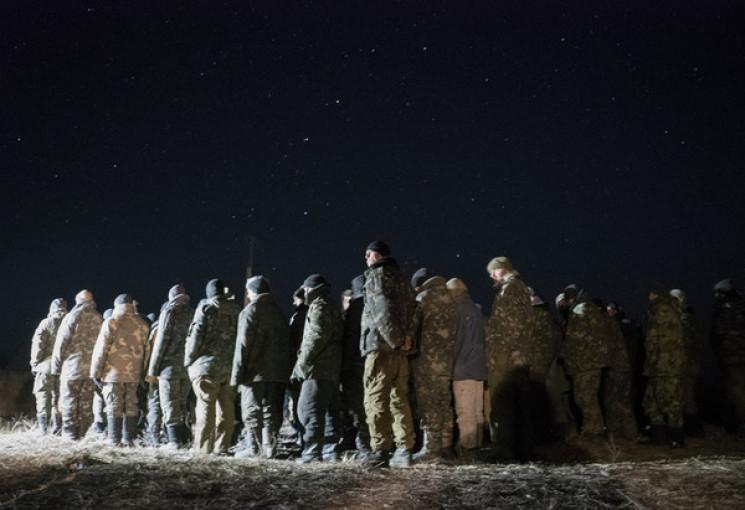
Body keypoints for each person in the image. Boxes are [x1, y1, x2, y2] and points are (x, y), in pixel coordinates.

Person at [360, 241, 417, 468]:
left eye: (367, 255)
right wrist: (407, 339)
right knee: (399, 398)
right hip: (401, 350)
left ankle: (381, 451)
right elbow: (415, 310)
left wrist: (394, 340)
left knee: (375, 398)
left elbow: (380, 309)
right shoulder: (403, 280)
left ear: (375, 255)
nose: (366, 259)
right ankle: (404, 449)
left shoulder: (376, 276)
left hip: (381, 346)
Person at [231, 276, 291, 459]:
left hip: (254, 372)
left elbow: (243, 345)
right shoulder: (279, 312)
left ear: (252, 291)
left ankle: (254, 448)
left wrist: (236, 376)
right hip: (277, 373)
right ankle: (270, 447)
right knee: (271, 411)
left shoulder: (250, 311)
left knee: (251, 410)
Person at [484, 257, 536, 461]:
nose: (491, 276)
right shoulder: (521, 288)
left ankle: (503, 451)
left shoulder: (510, 289)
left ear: (502, 270)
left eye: (493, 272)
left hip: (507, 358)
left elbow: (510, 328)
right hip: (520, 356)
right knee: (520, 405)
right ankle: (523, 450)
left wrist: (499, 356)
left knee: (502, 403)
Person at [291, 274, 343, 463]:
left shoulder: (319, 306)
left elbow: (315, 337)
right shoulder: (331, 305)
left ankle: (312, 452)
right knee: (328, 410)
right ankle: (330, 451)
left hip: (317, 367)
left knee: (308, 409)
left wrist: (301, 364)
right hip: (331, 368)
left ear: (310, 289)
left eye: (305, 289)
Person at [185, 278, 240, 454]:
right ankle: (222, 446)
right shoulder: (237, 310)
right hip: (230, 367)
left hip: (207, 366)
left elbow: (195, 337)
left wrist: (188, 360)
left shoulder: (206, 308)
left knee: (205, 406)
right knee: (226, 407)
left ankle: (203, 448)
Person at [409, 268, 458, 463]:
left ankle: (431, 448)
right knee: (444, 401)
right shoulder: (451, 300)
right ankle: (447, 446)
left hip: (427, 361)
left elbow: (412, 329)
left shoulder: (423, 298)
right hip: (447, 361)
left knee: (429, 403)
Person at [90, 294, 150, 446]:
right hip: (134, 374)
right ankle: (129, 439)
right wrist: (143, 373)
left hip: (112, 374)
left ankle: (114, 441)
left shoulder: (111, 322)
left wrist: (95, 373)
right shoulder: (142, 324)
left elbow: (101, 350)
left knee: (113, 407)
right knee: (131, 406)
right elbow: (147, 351)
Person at [147, 284, 194, 449]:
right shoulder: (193, 313)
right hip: (187, 368)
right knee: (182, 404)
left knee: (169, 405)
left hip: (169, 367)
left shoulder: (169, 312)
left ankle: (174, 442)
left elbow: (162, 342)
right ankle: (183, 440)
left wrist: (152, 370)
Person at [51, 289, 103, 440]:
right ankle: (83, 433)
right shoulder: (98, 317)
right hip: (91, 370)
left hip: (72, 368)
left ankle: (69, 434)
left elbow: (61, 343)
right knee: (86, 402)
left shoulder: (72, 316)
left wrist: (56, 367)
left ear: (78, 301)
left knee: (69, 400)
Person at [560, 285, 609, 439]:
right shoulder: (587, 309)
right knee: (584, 397)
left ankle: (594, 431)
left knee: (586, 397)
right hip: (587, 361)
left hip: (586, 362)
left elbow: (576, 337)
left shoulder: (580, 310)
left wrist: (565, 352)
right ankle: (592, 429)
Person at [446, 278, 487, 460]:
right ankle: (476, 447)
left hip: (463, 369)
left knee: (465, 413)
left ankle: (468, 452)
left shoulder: (459, 310)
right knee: (477, 411)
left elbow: (456, 341)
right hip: (478, 368)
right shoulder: (476, 310)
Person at [644, 285, 686, 447]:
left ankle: (676, 437)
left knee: (670, 399)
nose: (648, 298)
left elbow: (656, 339)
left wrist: (654, 359)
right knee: (652, 400)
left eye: (650, 294)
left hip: (666, 363)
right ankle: (659, 436)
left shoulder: (663, 309)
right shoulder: (660, 309)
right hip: (659, 363)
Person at [710, 279, 745, 436]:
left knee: (736, 389)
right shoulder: (740, 303)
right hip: (736, 354)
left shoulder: (725, 308)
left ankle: (740, 423)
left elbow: (718, 331)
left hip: (733, 355)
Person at [340, 275, 370, 457]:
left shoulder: (356, 308)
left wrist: (345, 366)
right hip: (372, 362)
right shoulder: (375, 304)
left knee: (358, 407)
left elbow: (351, 338)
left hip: (356, 365)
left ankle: (365, 444)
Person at [30, 298, 68, 434]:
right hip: (64, 367)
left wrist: (34, 363)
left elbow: (38, 345)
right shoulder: (70, 322)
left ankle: (43, 429)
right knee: (59, 397)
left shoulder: (46, 323)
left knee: (43, 395)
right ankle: (57, 428)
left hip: (46, 366)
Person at [670, 289, 704, 437]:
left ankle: (693, 430)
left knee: (687, 395)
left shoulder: (684, 318)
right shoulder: (681, 317)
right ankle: (689, 429)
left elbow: (687, 343)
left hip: (686, 363)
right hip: (684, 362)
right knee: (682, 395)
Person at [286, 287, 308, 445]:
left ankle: (302, 435)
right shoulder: (311, 314)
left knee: (298, 403)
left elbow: (291, 341)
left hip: (298, 364)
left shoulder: (299, 316)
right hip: (310, 366)